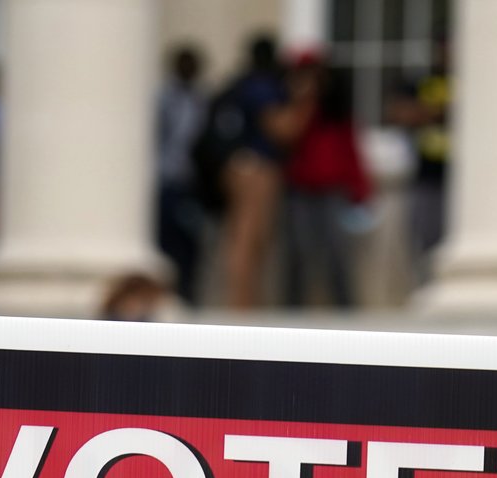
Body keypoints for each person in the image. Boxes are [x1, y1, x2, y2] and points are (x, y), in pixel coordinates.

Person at [208, 35, 315, 309]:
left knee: (248, 236)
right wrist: (304, 101)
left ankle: (245, 302)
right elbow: (283, 130)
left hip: (238, 166)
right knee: (248, 237)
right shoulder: (263, 87)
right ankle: (242, 304)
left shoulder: (241, 84)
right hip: (255, 168)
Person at [281, 53, 370, 308]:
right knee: (298, 253)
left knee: (336, 252)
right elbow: (287, 139)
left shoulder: (338, 112)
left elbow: (351, 150)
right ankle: (292, 311)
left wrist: (361, 190)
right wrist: (303, 102)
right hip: (300, 190)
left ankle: (346, 310)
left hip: (333, 190)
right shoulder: (295, 108)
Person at [387, 41, 452, 283]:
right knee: (425, 246)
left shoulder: (474, 81)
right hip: (428, 177)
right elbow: (399, 112)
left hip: (470, 184)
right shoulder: (423, 82)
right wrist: (438, 112)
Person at [155, 45, 207, 306]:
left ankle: (187, 295)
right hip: (165, 179)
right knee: (165, 242)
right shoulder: (163, 98)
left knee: (190, 245)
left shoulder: (200, 99)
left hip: (190, 183)